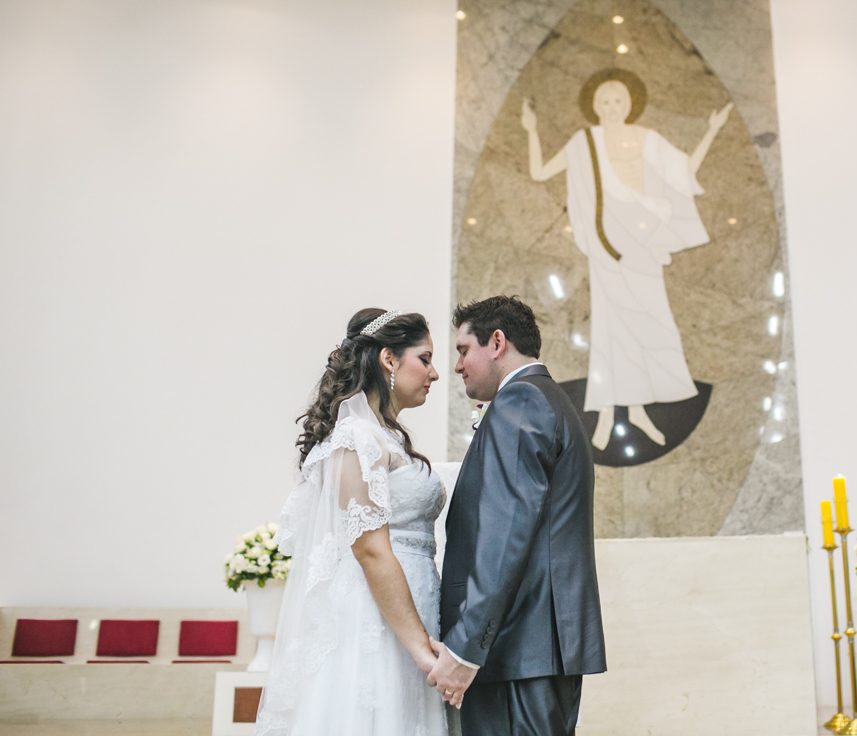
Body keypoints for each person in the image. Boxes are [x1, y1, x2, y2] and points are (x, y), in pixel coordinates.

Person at [255, 308, 455, 736]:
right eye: (425, 358)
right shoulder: (357, 438)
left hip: (413, 608)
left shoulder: (388, 436)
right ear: (388, 359)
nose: (435, 373)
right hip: (374, 619)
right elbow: (369, 547)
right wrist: (421, 650)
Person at [520, 68, 733, 451]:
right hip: (606, 244)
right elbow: (539, 172)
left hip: (642, 242)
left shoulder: (645, 139)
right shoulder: (585, 140)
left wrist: (712, 131)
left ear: (631, 104)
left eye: (619, 100)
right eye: (604, 101)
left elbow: (684, 172)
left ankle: (635, 410)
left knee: (648, 321)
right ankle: (605, 411)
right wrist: (531, 130)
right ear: (595, 107)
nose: (612, 107)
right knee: (609, 324)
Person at [427, 296, 606, 736]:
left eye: (463, 350)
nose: (457, 365)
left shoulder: (521, 402)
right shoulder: (547, 399)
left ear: (497, 342)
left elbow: (505, 536)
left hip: (518, 646)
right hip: (535, 647)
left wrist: (466, 649)